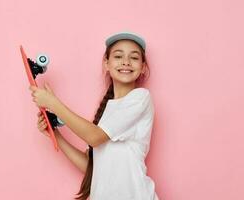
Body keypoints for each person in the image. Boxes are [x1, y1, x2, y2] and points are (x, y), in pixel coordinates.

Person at [29, 31, 159, 200]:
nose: (126, 62)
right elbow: (92, 167)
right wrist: (56, 135)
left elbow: (94, 137)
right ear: (106, 63)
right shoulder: (107, 111)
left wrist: (53, 103)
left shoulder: (140, 98)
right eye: (118, 56)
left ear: (142, 67)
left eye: (134, 58)